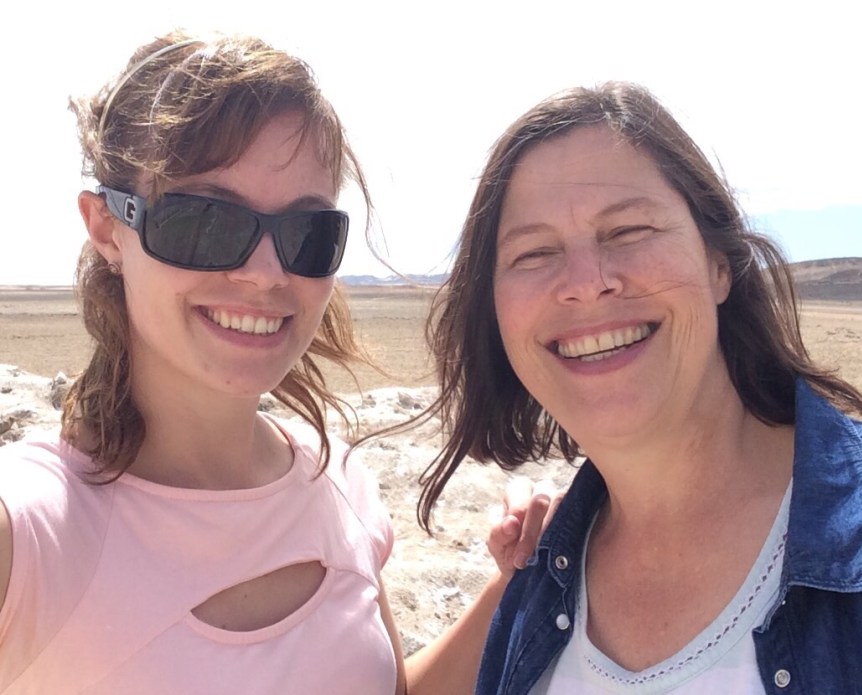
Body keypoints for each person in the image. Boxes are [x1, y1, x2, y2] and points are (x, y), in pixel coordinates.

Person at [0, 30, 547, 695]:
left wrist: (514, 580)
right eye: (206, 222)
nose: (265, 273)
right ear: (107, 229)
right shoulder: (31, 529)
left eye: (307, 233)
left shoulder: (337, 483)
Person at [419, 82, 862, 694]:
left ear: (719, 264)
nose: (587, 282)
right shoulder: (533, 584)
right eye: (534, 253)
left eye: (628, 231)